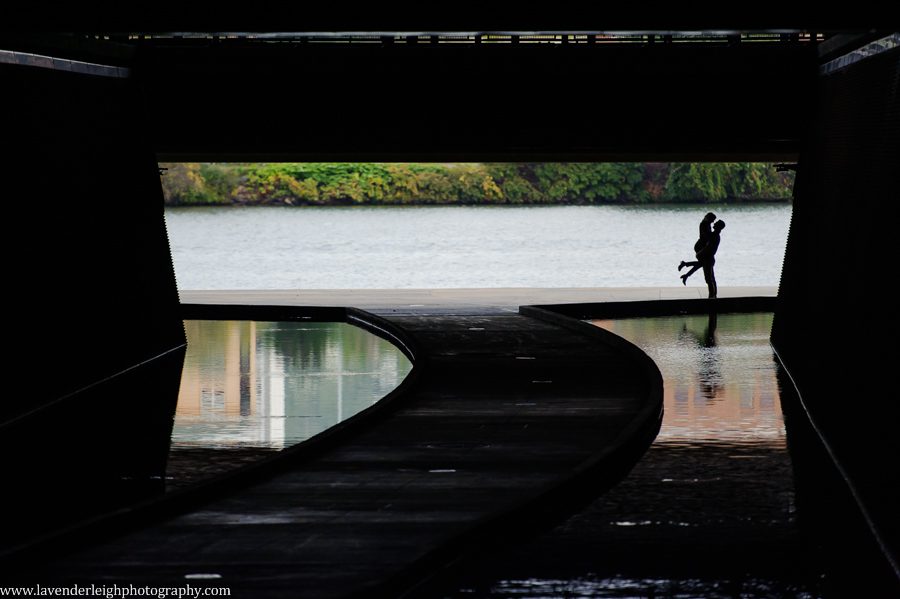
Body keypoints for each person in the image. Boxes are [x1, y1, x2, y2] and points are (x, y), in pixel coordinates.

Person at [681, 220, 725, 298]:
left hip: (708, 258)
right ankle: (713, 296)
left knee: (709, 279)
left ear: (718, 227)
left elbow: (707, 245)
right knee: (711, 278)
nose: (714, 223)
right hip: (709, 258)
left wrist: (699, 253)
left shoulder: (714, 236)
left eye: (716, 223)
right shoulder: (714, 235)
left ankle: (712, 296)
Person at [678, 212, 716, 282]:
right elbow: (705, 236)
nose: (713, 221)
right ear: (708, 218)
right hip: (700, 246)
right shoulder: (704, 224)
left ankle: (686, 270)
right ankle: (685, 268)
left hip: (703, 245)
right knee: (703, 263)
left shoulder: (707, 224)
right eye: (712, 219)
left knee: (702, 263)